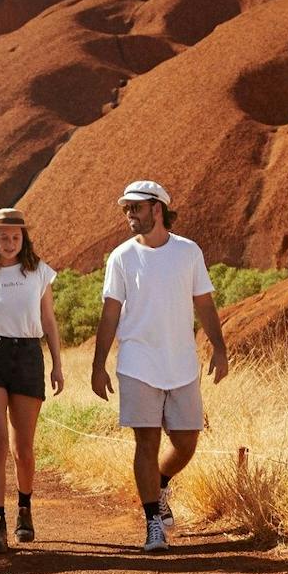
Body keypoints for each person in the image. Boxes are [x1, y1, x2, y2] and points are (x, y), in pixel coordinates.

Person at [90, 180, 229, 552]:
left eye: (136, 208)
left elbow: (204, 303)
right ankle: (153, 522)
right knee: (146, 442)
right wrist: (98, 364)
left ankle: (161, 482)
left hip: (182, 362)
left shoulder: (188, 252)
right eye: (126, 209)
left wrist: (219, 347)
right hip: (137, 362)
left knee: (186, 442)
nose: (129, 215)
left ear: (158, 209)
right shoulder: (121, 257)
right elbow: (110, 312)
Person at [0, 208, 64, 554]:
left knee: (23, 447)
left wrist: (57, 366)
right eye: (3, 236)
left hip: (28, 356)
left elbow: (49, 321)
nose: (9, 242)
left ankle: (24, 509)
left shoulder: (39, 273)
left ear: (24, 239)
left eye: (15, 237)